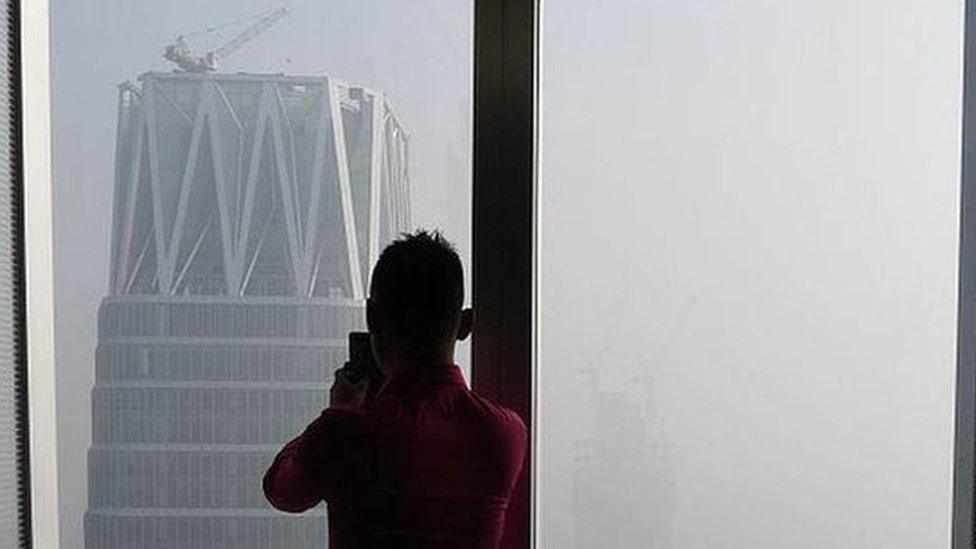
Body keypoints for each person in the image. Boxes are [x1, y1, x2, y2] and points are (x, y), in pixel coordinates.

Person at [263, 230, 527, 548]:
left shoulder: (345, 432)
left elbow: (281, 490)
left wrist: (339, 411)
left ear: (373, 316)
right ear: (465, 324)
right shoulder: (506, 434)